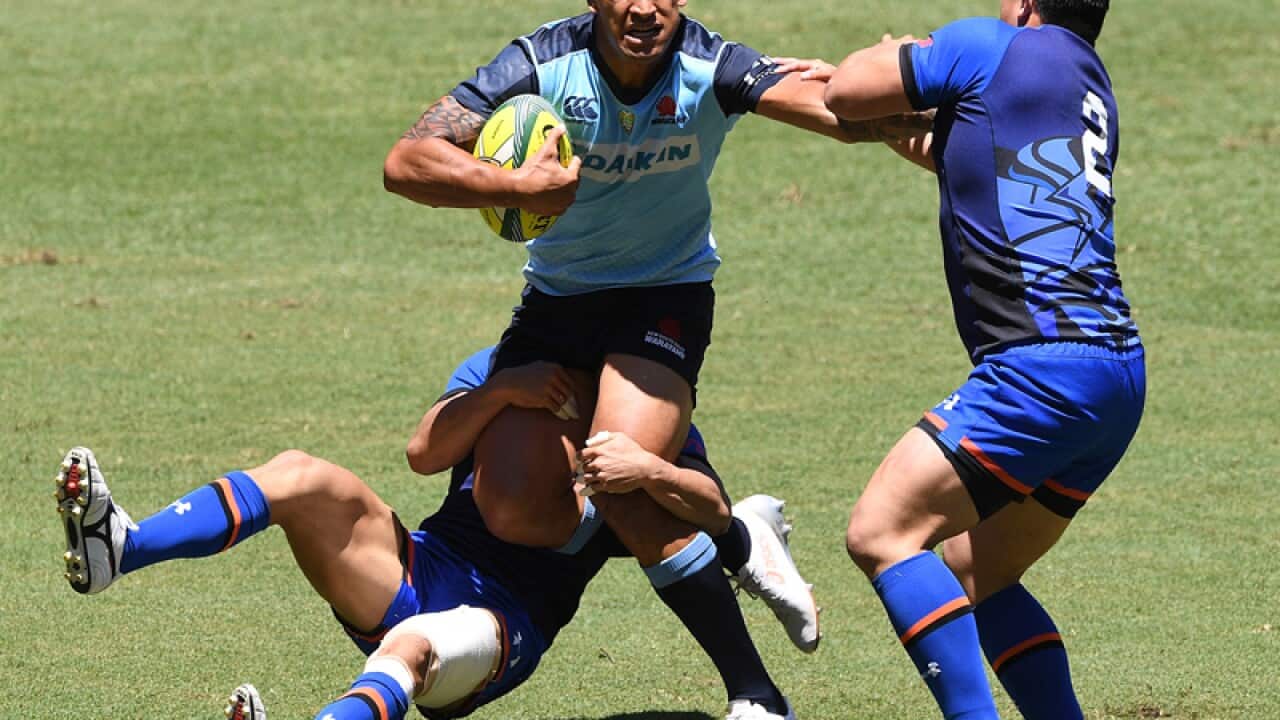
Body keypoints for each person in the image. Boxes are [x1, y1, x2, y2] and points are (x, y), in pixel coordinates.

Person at [382, 7, 919, 711]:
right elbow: (405, 163)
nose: (644, 8)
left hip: (663, 299)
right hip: (557, 303)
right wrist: (516, 188)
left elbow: (834, 109)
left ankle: (756, 694)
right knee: (511, 507)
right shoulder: (539, 64)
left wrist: (907, 81)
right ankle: (728, 528)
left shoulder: (712, 65)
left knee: (617, 472)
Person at [54, 348, 814, 720]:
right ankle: (121, 546)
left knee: (409, 649)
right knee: (299, 475)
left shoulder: (649, 414)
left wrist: (646, 465)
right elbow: (424, 454)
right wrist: (501, 391)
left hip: (502, 624)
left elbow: (708, 509)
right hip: (419, 563)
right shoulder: (515, 361)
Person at [817, 1, 1145, 718]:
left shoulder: (985, 45)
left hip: (1041, 371)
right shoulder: (1089, 84)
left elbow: (845, 90)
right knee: (977, 572)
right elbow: (1002, 165)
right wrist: (923, 128)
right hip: (1116, 376)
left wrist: (897, 56)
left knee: (882, 532)